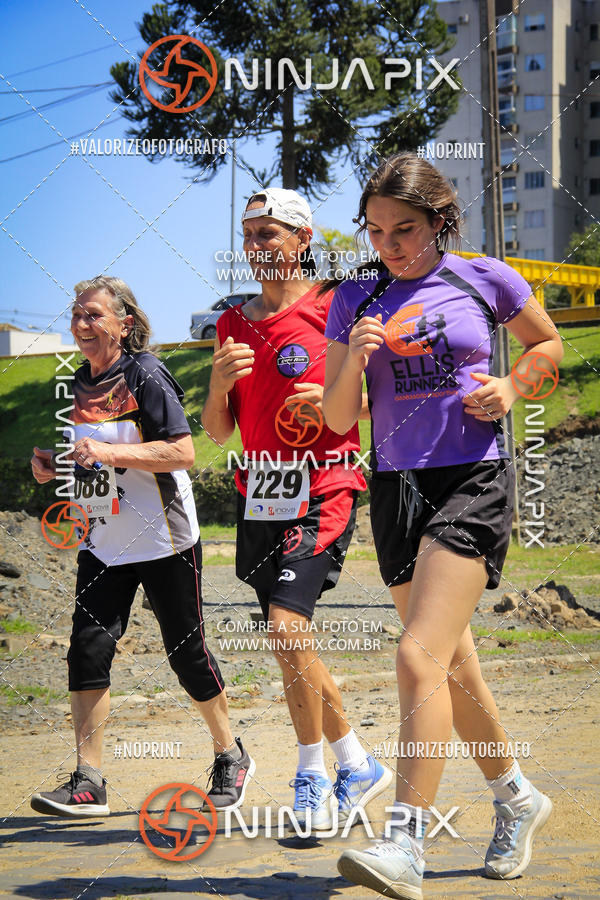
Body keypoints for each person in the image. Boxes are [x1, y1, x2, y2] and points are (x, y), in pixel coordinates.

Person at [322, 153, 563, 899]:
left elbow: (545, 346)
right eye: (377, 231)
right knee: (452, 672)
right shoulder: (355, 296)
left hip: (471, 479)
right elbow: (336, 419)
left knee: (416, 658)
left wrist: (512, 385)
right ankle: (518, 798)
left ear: (438, 222)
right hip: (395, 489)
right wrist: (354, 363)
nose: (390, 245)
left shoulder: (484, 276)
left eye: (405, 229)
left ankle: (405, 844)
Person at [201, 188, 392, 830]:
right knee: (293, 644)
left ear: (302, 239)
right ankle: (358, 763)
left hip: (326, 484)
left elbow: (379, 403)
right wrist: (218, 383)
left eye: (268, 234)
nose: (254, 247)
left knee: (286, 628)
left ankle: (309, 772)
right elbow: (219, 431)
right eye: (248, 234)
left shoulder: (339, 304)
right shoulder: (232, 322)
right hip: (261, 492)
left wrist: (335, 396)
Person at [30, 276, 253, 818]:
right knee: (87, 647)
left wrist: (106, 454)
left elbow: (182, 453)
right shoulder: (77, 383)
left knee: (185, 651)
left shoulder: (146, 374)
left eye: (93, 315)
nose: (82, 325)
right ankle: (89, 782)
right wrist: (53, 465)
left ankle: (230, 754)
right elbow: (90, 460)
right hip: (102, 541)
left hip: (163, 538)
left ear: (123, 323)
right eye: (76, 315)